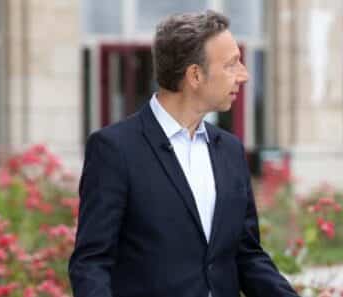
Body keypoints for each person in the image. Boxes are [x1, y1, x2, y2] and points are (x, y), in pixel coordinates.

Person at [69, 10, 299, 297]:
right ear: (195, 75)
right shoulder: (114, 149)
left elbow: (246, 255)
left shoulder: (230, 150)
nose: (244, 75)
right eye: (231, 64)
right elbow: (91, 263)